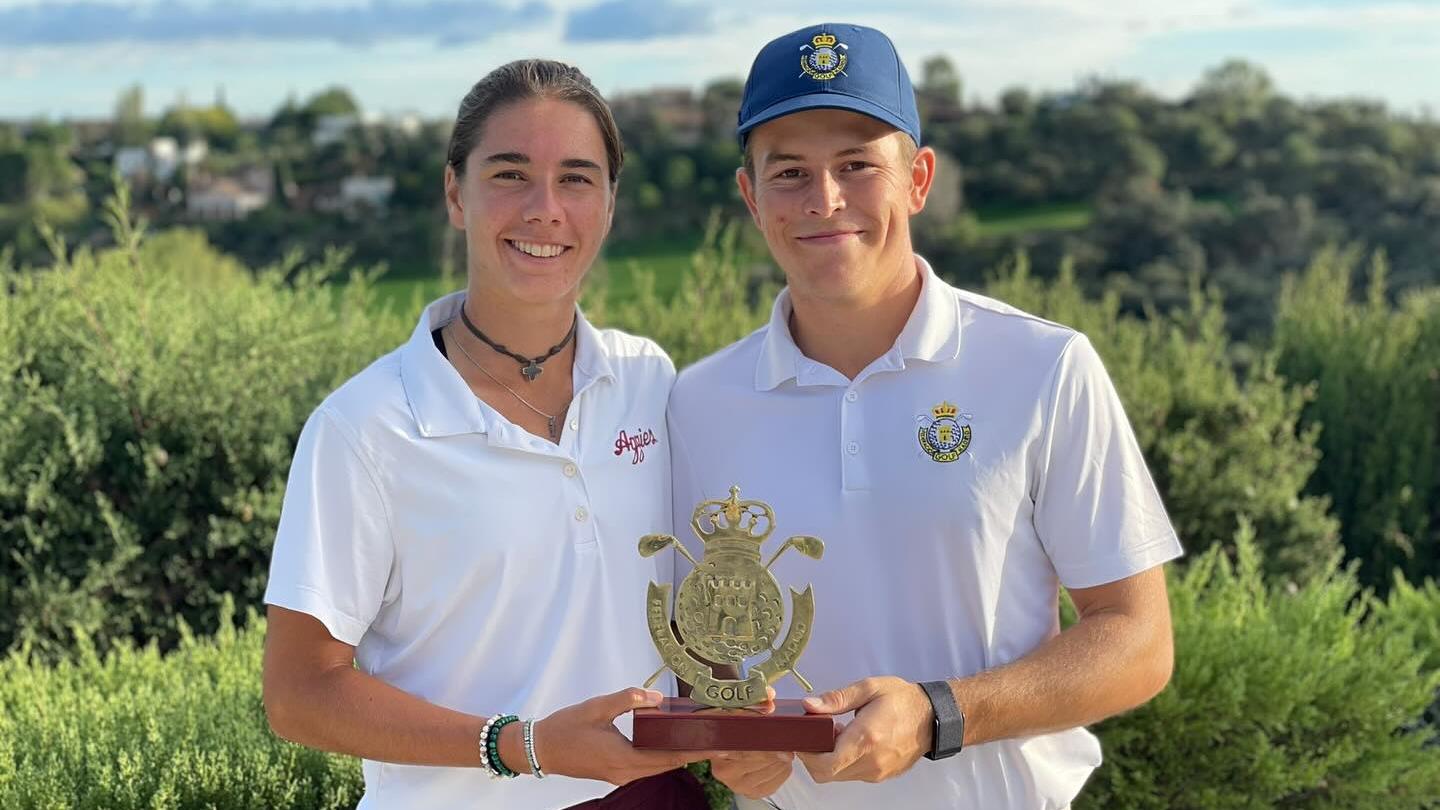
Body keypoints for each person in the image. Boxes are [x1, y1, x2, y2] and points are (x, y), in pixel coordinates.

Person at [668, 24, 1184, 809]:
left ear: (918, 179)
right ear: (750, 196)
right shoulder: (697, 404)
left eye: (857, 166)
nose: (824, 200)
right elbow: (699, 646)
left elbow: (1138, 642)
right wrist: (725, 733)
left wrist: (938, 714)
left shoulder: (1044, 367)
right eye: (790, 173)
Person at [261, 59, 714, 809]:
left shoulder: (648, 380)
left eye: (577, 177)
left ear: (608, 202)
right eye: (510, 174)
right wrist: (524, 746)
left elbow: (686, 617)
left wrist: (753, 728)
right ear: (455, 194)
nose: (545, 209)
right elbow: (301, 694)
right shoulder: (364, 427)